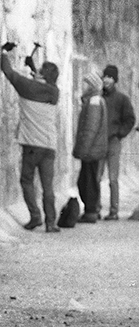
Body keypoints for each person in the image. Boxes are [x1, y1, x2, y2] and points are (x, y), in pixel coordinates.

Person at [0, 42, 61, 233]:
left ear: (42, 75)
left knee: (27, 181)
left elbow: (8, 72)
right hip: (49, 146)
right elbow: (41, 83)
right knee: (47, 187)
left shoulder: (27, 87)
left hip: (32, 145)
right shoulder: (54, 92)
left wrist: (4, 52)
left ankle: (35, 217)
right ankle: (51, 222)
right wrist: (33, 68)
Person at [98, 65, 135, 220]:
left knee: (113, 178)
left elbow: (130, 119)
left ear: (115, 80)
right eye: (106, 76)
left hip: (113, 142)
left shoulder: (122, 99)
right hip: (98, 142)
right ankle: (95, 210)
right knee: (96, 177)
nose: (107, 80)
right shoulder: (98, 97)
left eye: (111, 77)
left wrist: (119, 133)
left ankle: (114, 211)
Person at [73, 71, 109, 223]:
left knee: (87, 181)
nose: (84, 87)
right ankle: (92, 210)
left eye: (86, 84)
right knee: (89, 180)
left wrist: (83, 150)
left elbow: (90, 128)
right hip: (94, 149)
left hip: (91, 150)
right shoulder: (95, 100)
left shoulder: (94, 101)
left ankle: (91, 212)